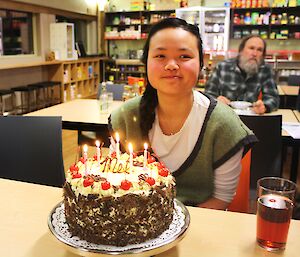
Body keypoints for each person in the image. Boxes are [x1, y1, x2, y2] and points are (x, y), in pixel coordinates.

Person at [108, 18, 257, 210]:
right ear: (145, 63)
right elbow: (115, 181)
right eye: (160, 56)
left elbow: (222, 198)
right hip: (135, 227)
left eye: (184, 56)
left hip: (201, 226)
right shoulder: (126, 117)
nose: (171, 65)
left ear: (201, 65)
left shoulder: (224, 124)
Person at [205, 35, 279, 114]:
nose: (254, 53)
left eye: (259, 50)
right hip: (225, 116)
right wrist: (216, 101)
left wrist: (265, 106)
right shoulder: (222, 67)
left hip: (251, 118)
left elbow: (273, 98)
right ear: (241, 50)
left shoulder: (265, 70)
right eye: (251, 48)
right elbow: (207, 96)